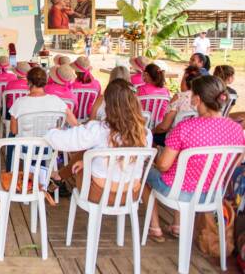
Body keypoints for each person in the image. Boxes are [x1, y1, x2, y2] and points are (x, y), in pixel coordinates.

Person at [144, 76, 245, 242]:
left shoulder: (185, 127)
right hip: (215, 193)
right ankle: (177, 226)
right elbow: (235, 163)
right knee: (183, 172)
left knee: (144, 173)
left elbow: (163, 165)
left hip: (181, 193)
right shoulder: (236, 129)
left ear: (197, 99)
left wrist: (154, 159)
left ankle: (155, 227)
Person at [48, 79, 152, 205]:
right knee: (87, 154)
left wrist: (52, 131)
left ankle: (59, 176)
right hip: (131, 194)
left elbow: (60, 141)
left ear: (108, 104)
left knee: (84, 156)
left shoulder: (98, 129)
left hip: (99, 194)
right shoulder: (146, 134)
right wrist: (87, 162)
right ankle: (59, 176)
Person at [8, 66, 78, 172]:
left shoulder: (19, 102)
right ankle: (41, 170)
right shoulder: (56, 100)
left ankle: (10, 170)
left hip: (26, 148)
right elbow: (74, 123)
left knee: (10, 136)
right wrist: (59, 129)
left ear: (29, 82)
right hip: (48, 147)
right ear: (45, 82)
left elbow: (14, 130)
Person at [153, 66, 202, 146]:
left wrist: (152, 131)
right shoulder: (204, 98)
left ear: (185, 80)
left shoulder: (179, 97)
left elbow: (164, 127)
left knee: (150, 137)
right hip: (195, 139)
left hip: (174, 139)